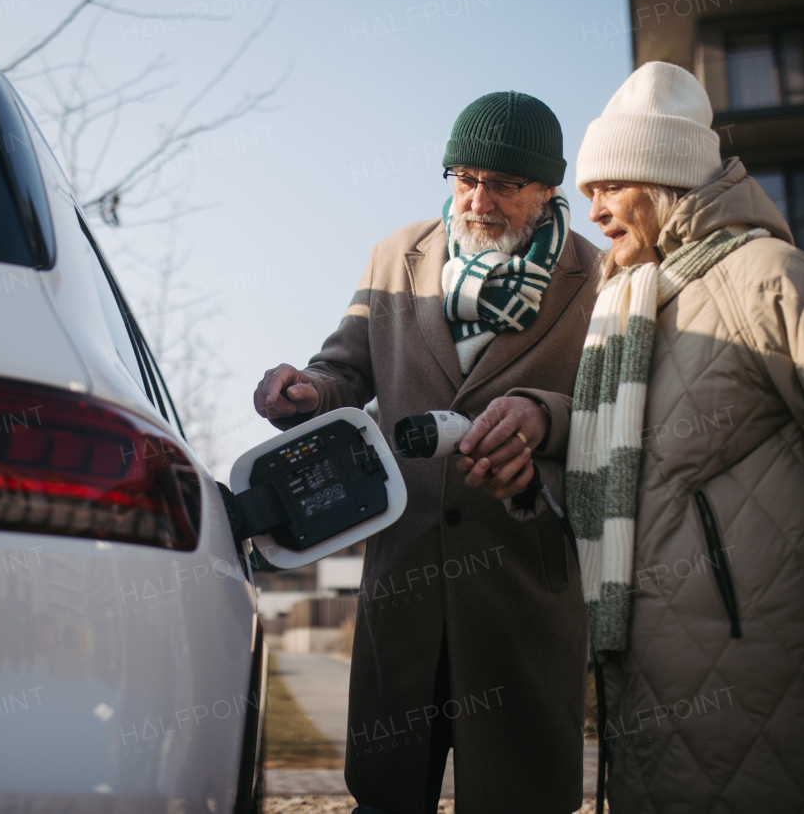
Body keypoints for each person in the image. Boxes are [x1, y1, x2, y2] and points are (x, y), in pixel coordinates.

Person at [542, 60, 804, 813]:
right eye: (587, 192)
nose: (596, 208)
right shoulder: (629, 306)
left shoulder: (773, 279)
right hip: (653, 680)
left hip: (777, 675)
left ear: (665, 176)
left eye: (611, 185)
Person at [252, 91, 600, 813]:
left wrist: (543, 419)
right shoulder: (393, 257)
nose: (479, 200)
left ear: (547, 188)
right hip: (403, 577)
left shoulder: (599, 280)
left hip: (522, 587)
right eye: (466, 177)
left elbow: (612, 411)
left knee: (519, 796)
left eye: (504, 184)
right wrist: (310, 392)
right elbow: (345, 368)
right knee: (385, 793)